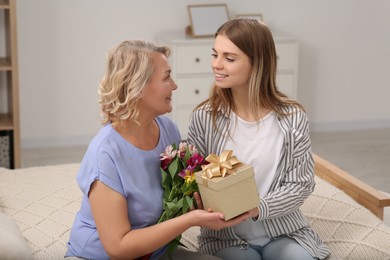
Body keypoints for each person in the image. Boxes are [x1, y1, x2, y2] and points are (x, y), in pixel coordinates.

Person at [65, 40, 250, 260]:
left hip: (156, 253)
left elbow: (176, 196)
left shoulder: (168, 130)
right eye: (166, 77)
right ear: (138, 86)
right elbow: (118, 248)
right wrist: (191, 220)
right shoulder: (105, 153)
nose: (174, 85)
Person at [187, 19, 331, 260]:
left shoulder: (292, 118)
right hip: (226, 239)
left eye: (229, 58)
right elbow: (194, 181)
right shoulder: (204, 117)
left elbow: (301, 185)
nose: (216, 65)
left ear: (257, 63)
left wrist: (257, 208)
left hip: (284, 233)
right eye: (215, 55)